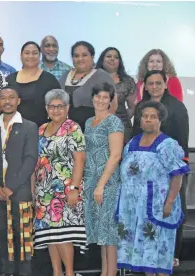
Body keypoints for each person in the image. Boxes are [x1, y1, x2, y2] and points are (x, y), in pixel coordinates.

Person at [117, 101, 188, 276]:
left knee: (159, 255)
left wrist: (169, 202)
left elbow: (177, 175)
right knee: (144, 258)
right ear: (139, 120)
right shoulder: (132, 142)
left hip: (156, 208)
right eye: (144, 116)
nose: (148, 120)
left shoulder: (167, 144)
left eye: (153, 117)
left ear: (160, 120)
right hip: (134, 210)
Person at [132, 70, 189, 267]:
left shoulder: (177, 106)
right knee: (147, 212)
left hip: (172, 169)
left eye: (158, 83)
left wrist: (178, 168)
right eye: (150, 84)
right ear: (145, 86)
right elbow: (135, 136)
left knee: (171, 209)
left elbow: (182, 139)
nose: (154, 87)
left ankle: (173, 254)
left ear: (165, 84)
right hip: (146, 172)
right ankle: (147, 253)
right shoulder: (141, 106)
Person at [33, 89, 87, 276]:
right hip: (44, 191)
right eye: (52, 106)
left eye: (60, 106)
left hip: (65, 190)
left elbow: (79, 160)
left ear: (67, 108)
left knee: (63, 234)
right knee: (50, 235)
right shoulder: (41, 129)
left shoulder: (73, 128)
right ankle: (57, 273)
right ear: (46, 108)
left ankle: (69, 273)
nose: (56, 110)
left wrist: (74, 188)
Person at [0, 87, 39, 276]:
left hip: (20, 192)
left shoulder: (29, 126)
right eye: (3, 98)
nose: (7, 101)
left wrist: (12, 186)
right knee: (1, 239)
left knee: (22, 241)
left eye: (11, 98)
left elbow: (30, 159)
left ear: (19, 101)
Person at [81, 83, 124, 276]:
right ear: (93, 98)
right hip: (91, 180)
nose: (101, 100)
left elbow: (115, 155)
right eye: (98, 96)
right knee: (100, 233)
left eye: (105, 97)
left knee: (110, 234)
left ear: (111, 100)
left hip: (107, 182)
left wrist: (101, 185)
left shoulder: (113, 122)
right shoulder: (89, 122)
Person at [59, 41, 116, 130]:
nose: (80, 59)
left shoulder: (102, 76)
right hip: (65, 132)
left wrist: (102, 129)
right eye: (76, 56)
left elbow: (113, 105)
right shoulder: (65, 75)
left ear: (92, 57)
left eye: (84, 55)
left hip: (93, 130)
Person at [6, 41, 61, 126]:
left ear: (39, 56)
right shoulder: (10, 79)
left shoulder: (49, 80)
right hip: (13, 131)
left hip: (41, 132)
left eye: (34, 53)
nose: (30, 56)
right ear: (21, 56)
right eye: (27, 53)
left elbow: (59, 107)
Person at [95, 47, 136, 141]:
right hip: (97, 125)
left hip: (122, 127)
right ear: (102, 59)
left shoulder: (127, 81)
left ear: (119, 61)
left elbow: (132, 107)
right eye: (109, 56)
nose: (112, 59)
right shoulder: (93, 78)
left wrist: (120, 119)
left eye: (116, 57)